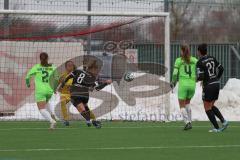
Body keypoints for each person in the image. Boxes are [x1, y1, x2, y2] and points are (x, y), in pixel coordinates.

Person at [59, 60, 112, 128]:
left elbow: (68, 77)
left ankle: (89, 120)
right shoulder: (92, 78)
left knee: (81, 109)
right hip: (85, 95)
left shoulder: (78, 71)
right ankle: (91, 120)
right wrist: (106, 83)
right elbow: (97, 88)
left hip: (75, 93)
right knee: (85, 107)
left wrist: (63, 84)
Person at [196, 43, 228, 133]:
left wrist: (196, 79)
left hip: (208, 86)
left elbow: (201, 77)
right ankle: (224, 121)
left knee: (207, 107)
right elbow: (221, 68)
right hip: (216, 84)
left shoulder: (199, 62)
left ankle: (217, 128)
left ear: (199, 52)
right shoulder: (212, 58)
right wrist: (217, 78)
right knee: (211, 105)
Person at [58, 60, 97, 126]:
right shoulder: (63, 76)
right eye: (69, 66)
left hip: (74, 94)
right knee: (62, 102)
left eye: (71, 66)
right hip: (65, 94)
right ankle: (66, 120)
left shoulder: (77, 73)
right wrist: (59, 88)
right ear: (66, 67)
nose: (70, 67)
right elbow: (60, 84)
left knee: (82, 108)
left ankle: (93, 118)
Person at [25, 52, 59, 129]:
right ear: (47, 58)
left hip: (40, 91)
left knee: (41, 109)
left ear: (40, 59)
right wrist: (55, 88)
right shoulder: (53, 67)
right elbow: (57, 79)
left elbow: (27, 77)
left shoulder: (36, 67)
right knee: (45, 104)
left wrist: (28, 84)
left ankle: (52, 121)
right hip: (50, 91)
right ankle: (52, 114)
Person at [171, 44, 198, 130]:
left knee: (181, 105)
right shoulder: (194, 60)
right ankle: (190, 121)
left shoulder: (178, 60)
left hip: (183, 85)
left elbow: (175, 73)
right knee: (187, 103)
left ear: (182, 51)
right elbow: (200, 69)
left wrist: (173, 82)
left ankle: (187, 122)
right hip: (192, 84)